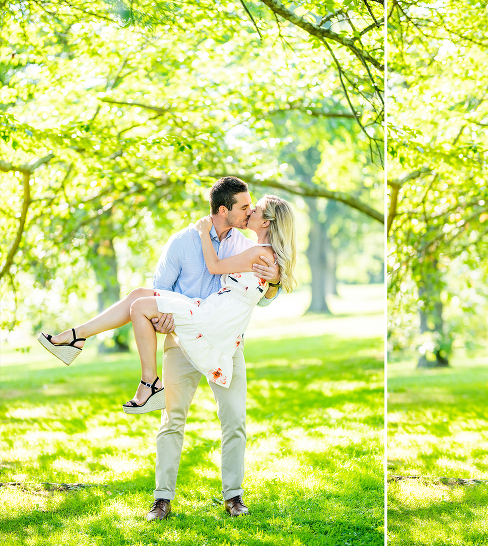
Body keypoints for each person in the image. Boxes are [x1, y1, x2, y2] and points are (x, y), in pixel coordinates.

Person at [38, 177, 295, 520]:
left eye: (252, 208)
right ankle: (162, 499)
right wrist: (163, 322)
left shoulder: (246, 245)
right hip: (181, 340)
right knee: (171, 418)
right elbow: (160, 290)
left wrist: (276, 281)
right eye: (244, 206)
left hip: (226, 344)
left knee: (234, 421)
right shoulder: (181, 243)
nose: (248, 211)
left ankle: (233, 497)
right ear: (224, 210)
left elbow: (258, 299)